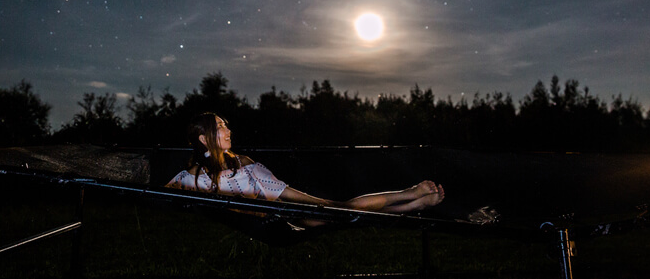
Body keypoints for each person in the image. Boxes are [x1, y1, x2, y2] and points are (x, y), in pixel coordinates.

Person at [165, 112, 445, 216]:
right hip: (269, 223)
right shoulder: (190, 178)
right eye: (220, 127)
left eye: (226, 125)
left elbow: (282, 191)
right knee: (344, 212)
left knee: (339, 210)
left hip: (283, 218)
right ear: (203, 138)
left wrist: (317, 202)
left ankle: (412, 200)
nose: (228, 130)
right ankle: (412, 198)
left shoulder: (244, 163)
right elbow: (161, 196)